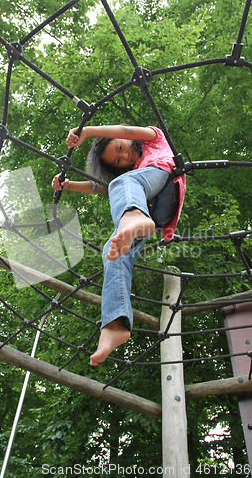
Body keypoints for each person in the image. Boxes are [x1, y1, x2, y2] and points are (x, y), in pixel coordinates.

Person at [51, 124, 186, 366]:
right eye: (118, 161)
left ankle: (133, 217)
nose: (124, 157)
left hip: (164, 182)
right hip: (151, 210)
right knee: (113, 252)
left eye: (120, 148)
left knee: (121, 184)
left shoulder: (154, 140)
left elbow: (128, 131)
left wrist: (88, 131)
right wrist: (69, 185)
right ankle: (115, 323)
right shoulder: (130, 175)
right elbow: (99, 186)